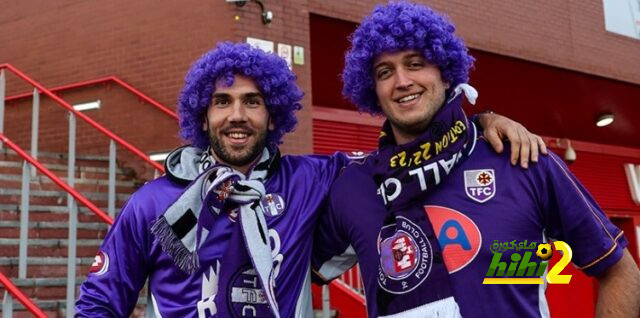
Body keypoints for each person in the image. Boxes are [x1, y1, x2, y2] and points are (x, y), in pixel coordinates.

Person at [75, 42, 544, 317]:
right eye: (223, 102)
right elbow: (99, 302)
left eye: (252, 101)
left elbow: (406, 155)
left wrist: (479, 122)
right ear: (202, 116)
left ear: (272, 113)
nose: (237, 115)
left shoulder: (313, 178)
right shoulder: (153, 203)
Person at [311, 2, 640, 318]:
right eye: (385, 71)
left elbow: (620, 271)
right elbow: (281, 272)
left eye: (415, 63)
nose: (402, 81)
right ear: (373, 89)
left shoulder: (520, 159)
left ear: (445, 72)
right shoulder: (353, 187)